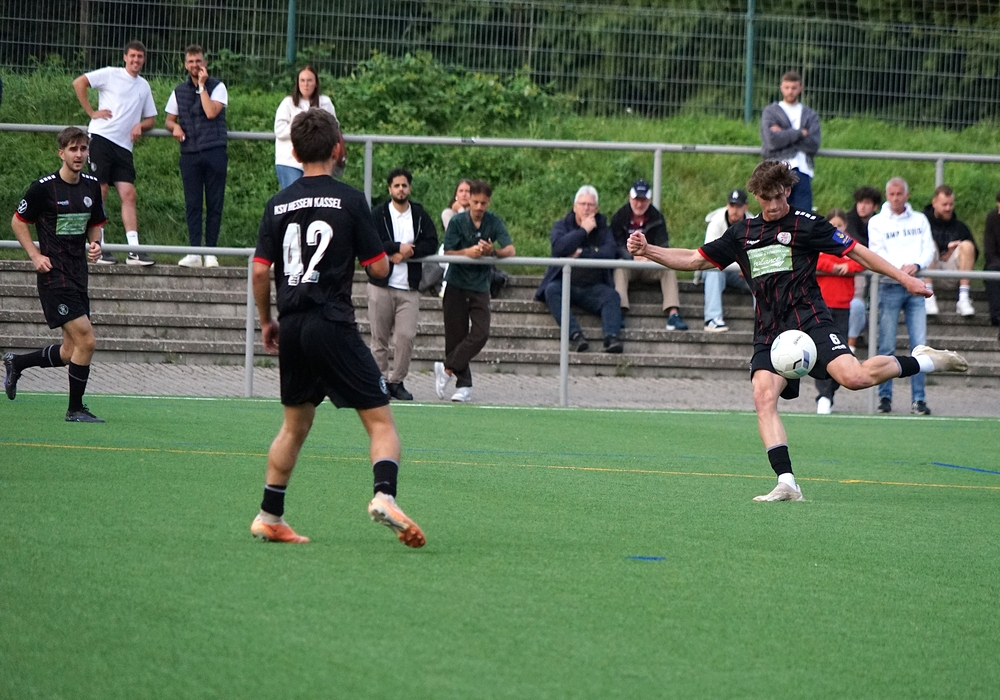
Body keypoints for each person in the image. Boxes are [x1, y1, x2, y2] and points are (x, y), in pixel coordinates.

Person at [626, 160, 967, 502]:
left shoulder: (808, 224)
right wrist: (648, 250)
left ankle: (924, 360)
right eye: (766, 198)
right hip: (770, 331)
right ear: (757, 196)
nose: (774, 204)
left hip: (810, 320)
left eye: (779, 196)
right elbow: (694, 258)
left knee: (855, 378)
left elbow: (858, 253)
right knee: (763, 397)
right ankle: (787, 483)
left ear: (788, 190)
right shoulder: (742, 233)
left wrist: (904, 278)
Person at [249, 108, 425, 547]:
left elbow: (259, 270)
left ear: (293, 152)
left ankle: (269, 515)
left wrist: (267, 321)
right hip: (331, 322)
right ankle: (384, 496)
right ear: (338, 149)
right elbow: (379, 268)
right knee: (381, 422)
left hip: (292, 325)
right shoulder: (349, 200)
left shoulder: (277, 204)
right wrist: (380, 256)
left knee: (294, 425)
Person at [4, 127, 107, 422]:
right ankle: (75, 409)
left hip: (78, 273)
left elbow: (95, 223)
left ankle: (17, 363)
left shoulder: (91, 186)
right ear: (61, 153)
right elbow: (18, 221)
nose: (79, 154)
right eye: (73, 149)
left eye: (83, 149)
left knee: (69, 351)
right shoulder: (43, 188)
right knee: (87, 341)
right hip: (54, 276)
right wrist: (35, 255)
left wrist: (95, 244)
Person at [72, 40, 156, 266]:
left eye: (140, 56)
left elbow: (151, 119)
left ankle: (133, 250)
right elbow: (79, 82)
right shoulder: (110, 74)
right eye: (132, 56)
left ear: (144, 60)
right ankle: (99, 247)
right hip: (101, 139)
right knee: (99, 191)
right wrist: (91, 112)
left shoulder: (144, 86)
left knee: (128, 194)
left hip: (124, 147)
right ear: (125, 57)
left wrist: (141, 126)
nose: (136, 60)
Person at [434, 180, 515, 403]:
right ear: (469, 200)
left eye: (483, 203)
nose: (479, 207)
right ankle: (464, 385)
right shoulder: (457, 221)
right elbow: (447, 251)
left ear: (488, 203)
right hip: (456, 283)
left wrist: (493, 252)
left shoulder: (493, 221)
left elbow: (510, 249)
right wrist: (467, 252)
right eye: (476, 202)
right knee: (455, 335)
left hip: (480, 285)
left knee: (481, 332)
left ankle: (447, 368)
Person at [867, 177, 939, 415]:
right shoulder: (877, 222)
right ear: (887, 196)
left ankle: (918, 399)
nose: (896, 198)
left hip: (916, 286)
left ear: (906, 195)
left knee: (920, 346)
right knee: (886, 345)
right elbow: (877, 253)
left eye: (900, 194)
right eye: (892, 194)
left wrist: (916, 265)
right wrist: (900, 272)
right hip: (890, 286)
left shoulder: (920, 219)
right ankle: (884, 397)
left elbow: (928, 249)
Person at [368, 168, 439, 400]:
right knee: (379, 338)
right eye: (396, 185)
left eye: (404, 185)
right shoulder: (378, 214)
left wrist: (410, 252)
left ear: (409, 188)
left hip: (409, 287)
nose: (401, 189)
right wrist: (397, 248)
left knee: (405, 337)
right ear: (389, 189)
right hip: (381, 285)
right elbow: (371, 240)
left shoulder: (418, 214)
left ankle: (396, 381)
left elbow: (432, 241)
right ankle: (379, 381)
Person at [536, 186, 623, 353]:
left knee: (612, 296)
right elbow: (559, 248)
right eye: (583, 204)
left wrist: (582, 253)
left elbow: (610, 252)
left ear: (596, 209)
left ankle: (611, 337)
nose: (586, 208)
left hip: (593, 286)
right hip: (565, 283)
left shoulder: (603, 228)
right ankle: (575, 336)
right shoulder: (562, 225)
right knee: (551, 290)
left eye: (591, 205)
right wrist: (583, 231)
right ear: (575, 207)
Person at [165, 45, 229, 269]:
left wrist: (202, 87)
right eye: (191, 61)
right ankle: (194, 251)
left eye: (198, 61)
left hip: (214, 150)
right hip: (189, 153)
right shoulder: (179, 91)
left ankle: (210, 252)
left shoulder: (218, 87)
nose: (195, 65)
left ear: (205, 63)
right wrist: (174, 127)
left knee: (214, 203)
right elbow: (169, 119)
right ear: (185, 65)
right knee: (193, 204)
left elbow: (211, 112)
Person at [609, 179, 687, 331]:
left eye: (643, 200)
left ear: (649, 200)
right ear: (630, 198)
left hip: (650, 263)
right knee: (619, 269)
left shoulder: (657, 217)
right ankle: (619, 310)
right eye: (636, 200)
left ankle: (673, 313)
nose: (639, 204)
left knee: (669, 268)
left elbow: (663, 245)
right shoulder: (619, 217)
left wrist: (648, 255)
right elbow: (614, 245)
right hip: (628, 264)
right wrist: (631, 257)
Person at [814, 209, 866, 414]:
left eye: (840, 226)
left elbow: (862, 259)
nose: (837, 229)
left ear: (846, 227)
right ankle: (824, 395)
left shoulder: (850, 244)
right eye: (833, 225)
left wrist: (848, 267)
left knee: (840, 352)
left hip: (843, 306)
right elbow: (815, 260)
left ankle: (830, 392)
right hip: (822, 306)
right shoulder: (819, 242)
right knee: (823, 353)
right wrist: (832, 266)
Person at [760, 71, 821, 213]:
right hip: (777, 169)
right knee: (778, 214)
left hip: (802, 170)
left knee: (802, 217)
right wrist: (800, 133)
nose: (790, 91)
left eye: (794, 88)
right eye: (787, 87)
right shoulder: (771, 112)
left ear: (801, 88)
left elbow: (813, 143)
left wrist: (783, 133)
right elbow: (771, 141)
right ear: (781, 87)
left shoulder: (809, 115)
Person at [274, 65, 336, 190]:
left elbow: (334, 126)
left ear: (316, 83)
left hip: (318, 161)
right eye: (302, 80)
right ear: (297, 83)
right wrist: (302, 127)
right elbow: (279, 130)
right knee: (294, 197)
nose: (306, 84)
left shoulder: (325, 102)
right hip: (290, 162)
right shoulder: (288, 102)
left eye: (309, 80)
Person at [922, 185, 979, 317]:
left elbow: (973, 254)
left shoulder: (960, 227)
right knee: (929, 244)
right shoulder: (922, 223)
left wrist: (953, 252)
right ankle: (928, 297)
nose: (948, 208)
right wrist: (945, 249)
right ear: (934, 202)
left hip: (953, 273)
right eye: (944, 204)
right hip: (927, 272)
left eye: (951, 204)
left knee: (967, 245)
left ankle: (963, 298)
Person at [701, 188, 751, 332]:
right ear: (727, 205)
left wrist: (746, 267)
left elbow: (756, 254)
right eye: (732, 205)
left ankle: (765, 320)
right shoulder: (716, 222)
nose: (734, 210)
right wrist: (740, 265)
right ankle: (713, 319)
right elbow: (710, 254)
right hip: (719, 270)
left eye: (738, 206)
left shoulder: (753, 224)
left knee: (762, 273)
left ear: (745, 207)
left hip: (742, 273)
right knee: (713, 269)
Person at [844, 186, 882, 350]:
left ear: (875, 206)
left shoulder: (880, 222)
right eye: (860, 202)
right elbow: (854, 243)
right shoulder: (849, 220)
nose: (862, 206)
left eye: (867, 203)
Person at [434, 179, 472, 298]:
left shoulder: (477, 215)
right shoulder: (447, 213)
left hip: (470, 249)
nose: (464, 194)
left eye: (467, 191)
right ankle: (445, 287)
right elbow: (457, 235)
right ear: (456, 194)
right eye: (461, 191)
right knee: (454, 255)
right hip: (450, 248)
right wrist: (461, 211)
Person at [983, 190, 1000, 338]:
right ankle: (997, 315)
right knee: (992, 270)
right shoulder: (993, 218)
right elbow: (989, 250)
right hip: (997, 264)